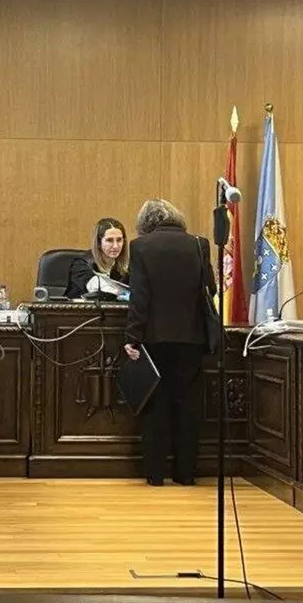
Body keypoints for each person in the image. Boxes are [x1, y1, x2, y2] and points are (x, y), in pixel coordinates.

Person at [123, 200, 216, 487]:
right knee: (188, 407)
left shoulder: (140, 247)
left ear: (145, 223)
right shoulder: (199, 244)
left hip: (154, 338)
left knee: (155, 405)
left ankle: (155, 474)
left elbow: (140, 297)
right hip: (192, 337)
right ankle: (186, 474)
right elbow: (211, 288)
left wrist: (132, 337)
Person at [65, 218, 130, 299]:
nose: (115, 246)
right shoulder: (81, 264)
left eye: (119, 240)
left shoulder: (126, 267)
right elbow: (98, 288)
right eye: (109, 240)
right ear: (98, 243)